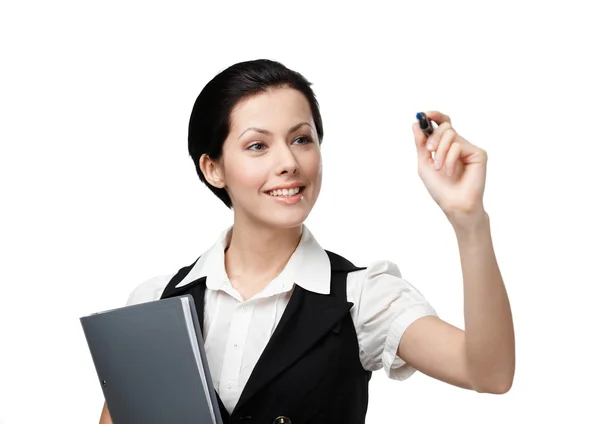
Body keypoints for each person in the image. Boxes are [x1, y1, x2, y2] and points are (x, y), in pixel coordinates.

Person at [99, 59, 515, 424]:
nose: (289, 163)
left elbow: (489, 373)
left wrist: (469, 221)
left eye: (301, 139)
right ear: (213, 168)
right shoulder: (156, 304)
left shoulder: (363, 297)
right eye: (258, 145)